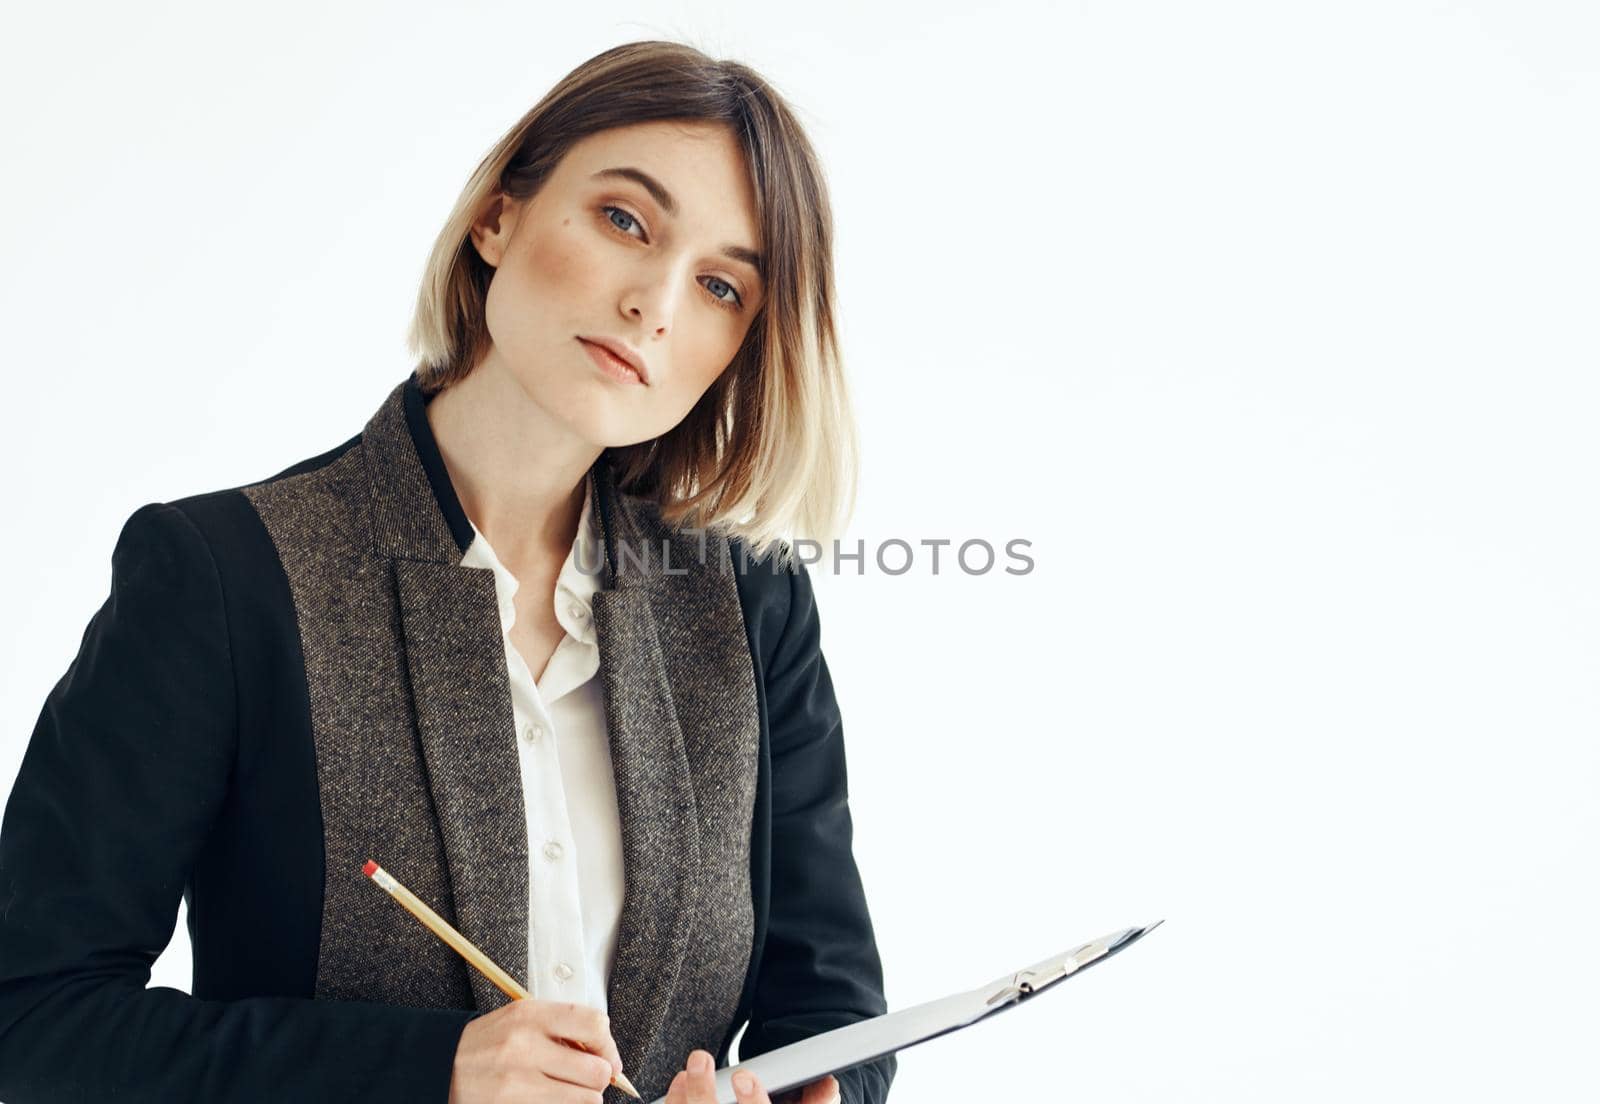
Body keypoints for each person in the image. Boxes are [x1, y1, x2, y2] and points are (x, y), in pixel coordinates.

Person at [0, 40, 894, 1104]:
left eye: (719, 286)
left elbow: (832, 1009)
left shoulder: (750, 607)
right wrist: (430, 1073)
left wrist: (814, 1095)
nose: (655, 302)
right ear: (497, 215)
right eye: (624, 221)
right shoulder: (225, 578)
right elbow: (34, 1018)